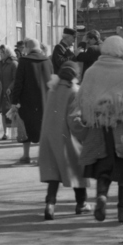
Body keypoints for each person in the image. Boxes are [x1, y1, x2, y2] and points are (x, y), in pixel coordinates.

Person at [75, 37, 123, 223]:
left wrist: (88, 120)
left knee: (103, 168)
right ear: (121, 51)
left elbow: (83, 100)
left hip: (99, 128)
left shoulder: (92, 72)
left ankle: (102, 197)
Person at [39, 60, 86, 219]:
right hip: (66, 138)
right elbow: (74, 119)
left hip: (48, 136)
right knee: (76, 171)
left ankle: (50, 205)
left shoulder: (52, 90)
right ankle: (81, 204)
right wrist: (84, 134)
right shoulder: (74, 91)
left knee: (54, 174)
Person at [9, 38, 53, 165]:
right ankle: (41, 157)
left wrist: (14, 101)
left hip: (27, 100)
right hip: (45, 100)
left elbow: (18, 82)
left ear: (27, 48)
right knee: (43, 127)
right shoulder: (47, 61)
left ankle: (26, 155)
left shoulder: (23, 61)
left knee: (25, 126)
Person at [0, 45, 18, 140]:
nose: (1, 54)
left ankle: (14, 132)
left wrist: (10, 88)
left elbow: (16, 79)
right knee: (2, 112)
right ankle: (4, 133)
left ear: (7, 52)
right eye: (0, 52)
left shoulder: (14, 63)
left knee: (11, 111)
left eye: (2, 52)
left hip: (10, 92)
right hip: (1, 91)